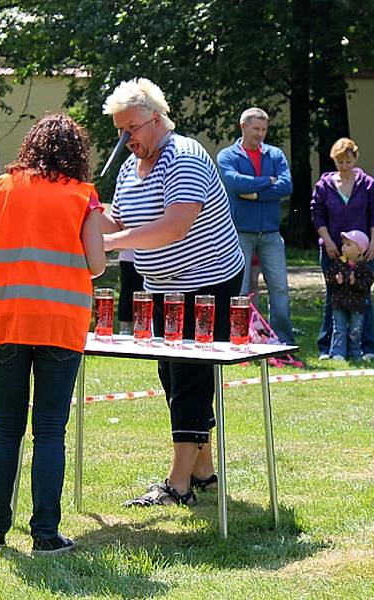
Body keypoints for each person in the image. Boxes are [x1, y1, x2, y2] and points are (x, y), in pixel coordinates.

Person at [100, 78, 245, 507]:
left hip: (208, 282)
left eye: (132, 130)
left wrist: (111, 243)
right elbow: (119, 222)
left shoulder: (184, 157)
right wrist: (84, 213)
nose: (126, 140)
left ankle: (177, 485)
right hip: (160, 286)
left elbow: (174, 227)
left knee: (189, 375)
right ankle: (203, 472)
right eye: (120, 132)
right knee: (171, 374)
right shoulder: (131, 167)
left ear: (157, 119)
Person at [0, 113, 106, 554]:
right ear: (77, 154)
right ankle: (45, 535)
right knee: (49, 431)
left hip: (5, 319)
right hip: (59, 323)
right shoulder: (82, 196)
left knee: (4, 430)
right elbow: (97, 264)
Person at [217, 107, 296, 345]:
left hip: (271, 232)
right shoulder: (227, 155)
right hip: (239, 232)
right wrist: (267, 182)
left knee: (279, 288)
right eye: (256, 129)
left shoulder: (275, 154)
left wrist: (256, 194)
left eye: (264, 129)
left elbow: (286, 186)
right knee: (240, 290)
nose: (260, 134)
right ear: (243, 127)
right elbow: (235, 183)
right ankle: (239, 338)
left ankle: (282, 340)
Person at [310, 137, 374, 360]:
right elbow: (317, 214)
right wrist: (328, 241)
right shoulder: (324, 185)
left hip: (361, 251)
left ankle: (367, 347)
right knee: (334, 296)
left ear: (355, 159)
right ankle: (328, 347)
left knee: (363, 296)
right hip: (333, 250)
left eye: (348, 161)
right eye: (340, 162)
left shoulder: (368, 184)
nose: (344, 166)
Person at [324, 231, 374, 361]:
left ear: (360, 250)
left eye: (348, 244)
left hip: (357, 305)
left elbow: (368, 284)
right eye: (344, 244)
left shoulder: (363, 267)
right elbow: (329, 278)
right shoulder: (338, 264)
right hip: (339, 303)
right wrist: (336, 280)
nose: (344, 247)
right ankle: (337, 353)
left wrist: (355, 283)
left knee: (355, 331)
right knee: (339, 329)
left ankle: (355, 353)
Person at [117, 248, 144, 334]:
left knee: (146, 295)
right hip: (129, 256)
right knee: (127, 294)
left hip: (152, 256)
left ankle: (143, 330)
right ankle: (124, 331)